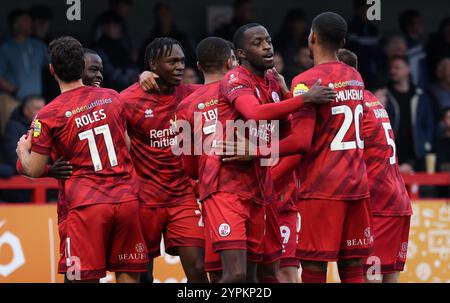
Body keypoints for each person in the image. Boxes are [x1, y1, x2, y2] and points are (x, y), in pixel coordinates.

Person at [208, 23, 335, 283]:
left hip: (261, 190)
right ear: (241, 54)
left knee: (263, 274)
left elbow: (294, 137)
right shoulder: (235, 79)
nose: (267, 46)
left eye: (268, 40)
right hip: (227, 186)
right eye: (258, 43)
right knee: (236, 274)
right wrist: (304, 99)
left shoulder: (272, 83)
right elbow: (253, 112)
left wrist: (288, 92)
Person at [16, 36, 147, 283]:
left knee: (82, 278)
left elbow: (33, 169)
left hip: (87, 206)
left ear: (52, 70)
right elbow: (127, 146)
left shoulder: (48, 114)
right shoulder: (112, 97)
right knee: (129, 275)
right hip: (127, 200)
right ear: (81, 66)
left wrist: (22, 150)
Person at [254, 12, 372, 283]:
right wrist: (290, 95)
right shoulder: (355, 76)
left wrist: (256, 151)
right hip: (357, 185)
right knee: (354, 265)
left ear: (313, 37)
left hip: (323, 187)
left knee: (314, 266)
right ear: (342, 41)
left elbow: (302, 141)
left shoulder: (307, 80)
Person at [120, 37, 208, 283]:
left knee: (198, 268)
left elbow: (225, 87)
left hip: (182, 197)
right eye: (172, 62)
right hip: (144, 199)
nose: (180, 66)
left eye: (182, 61)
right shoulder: (127, 100)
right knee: (142, 274)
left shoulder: (191, 94)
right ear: (153, 65)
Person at [338, 48, 412, 283]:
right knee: (388, 277)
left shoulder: (353, 106)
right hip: (397, 201)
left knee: (368, 277)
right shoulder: (372, 100)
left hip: (379, 204)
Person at [386, 55, 435, 172]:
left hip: (417, 156)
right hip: (392, 156)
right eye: (391, 68)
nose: (393, 71)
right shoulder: (384, 96)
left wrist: (424, 144)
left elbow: (429, 125)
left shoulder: (421, 96)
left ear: (408, 69)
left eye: (397, 67)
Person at [1, 95, 45, 202]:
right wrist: (29, 170)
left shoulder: (44, 127)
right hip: (20, 186)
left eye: (43, 108)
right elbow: (13, 156)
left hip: (43, 181)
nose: (41, 112)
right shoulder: (14, 127)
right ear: (26, 111)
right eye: (37, 108)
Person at [0, 9, 48, 101]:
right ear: (15, 25)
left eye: (31, 21)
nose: (31, 24)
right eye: (26, 21)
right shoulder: (5, 48)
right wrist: (13, 90)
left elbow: (56, 62)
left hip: (35, 102)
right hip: (12, 101)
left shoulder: (38, 46)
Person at [138, 3, 197, 70]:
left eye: (164, 15)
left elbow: (191, 58)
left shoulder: (183, 38)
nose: (162, 19)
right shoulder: (150, 41)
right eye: (159, 16)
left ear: (170, 16)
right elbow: (143, 64)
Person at [94, 11, 139, 92]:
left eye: (118, 25)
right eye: (115, 25)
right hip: (109, 94)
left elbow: (133, 68)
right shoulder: (98, 50)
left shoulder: (123, 46)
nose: (118, 29)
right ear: (104, 27)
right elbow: (112, 75)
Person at [346, 0, 384, 89]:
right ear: (357, 9)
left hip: (375, 74)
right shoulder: (351, 29)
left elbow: (380, 50)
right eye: (363, 10)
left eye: (368, 10)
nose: (366, 13)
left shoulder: (374, 29)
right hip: (357, 73)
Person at [274, 9, 309, 84]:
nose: (299, 25)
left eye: (301, 22)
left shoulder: (309, 38)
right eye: (297, 22)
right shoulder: (280, 40)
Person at [398, 9, 429, 88]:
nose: (422, 25)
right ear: (409, 26)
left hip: (422, 88)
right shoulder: (403, 45)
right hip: (412, 88)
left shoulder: (419, 44)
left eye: (422, 22)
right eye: (419, 23)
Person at [436, 107, 450, 197]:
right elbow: (438, 166)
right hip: (441, 187)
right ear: (443, 120)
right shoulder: (438, 142)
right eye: (449, 117)